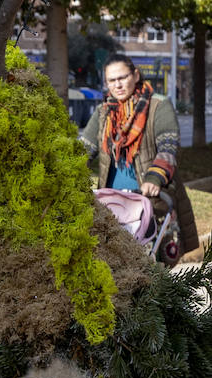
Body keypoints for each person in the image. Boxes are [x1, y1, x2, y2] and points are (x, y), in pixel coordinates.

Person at [81, 54, 199, 254]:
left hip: (149, 203)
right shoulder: (103, 112)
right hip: (112, 205)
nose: (118, 85)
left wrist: (154, 178)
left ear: (135, 75)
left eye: (122, 78)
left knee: (151, 268)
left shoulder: (158, 106)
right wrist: (63, 171)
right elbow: (83, 149)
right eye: (112, 80)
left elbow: (169, 147)